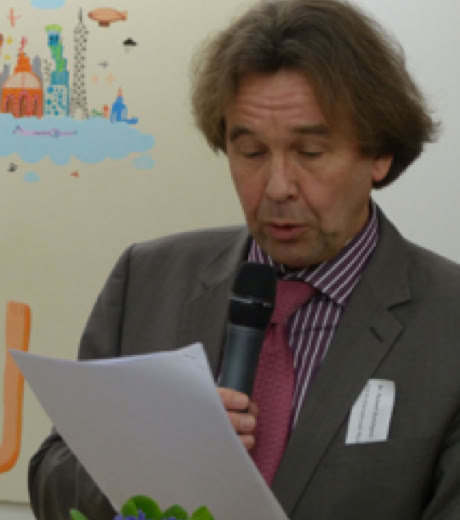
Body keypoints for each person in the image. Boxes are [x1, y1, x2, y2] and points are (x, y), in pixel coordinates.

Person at [29, 0, 460, 519]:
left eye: (310, 153)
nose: (277, 187)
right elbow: (51, 479)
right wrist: (147, 460)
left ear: (380, 153)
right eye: (252, 152)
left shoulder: (448, 321)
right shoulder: (145, 281)